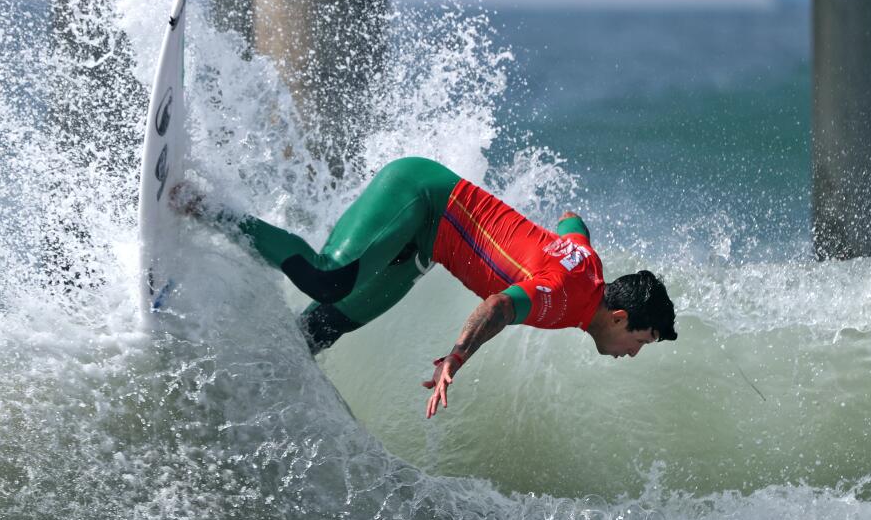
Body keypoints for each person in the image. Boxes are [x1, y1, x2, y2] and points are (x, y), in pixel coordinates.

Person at [173, 156, 677, 418]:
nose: (632, 354)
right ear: (619, 318)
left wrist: (541, 235)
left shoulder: (589, 266)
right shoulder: (564, 297)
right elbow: (499, 305)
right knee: (328, 280)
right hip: (421, 194)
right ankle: (206, 207)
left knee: (324, 326)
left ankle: (231, 362)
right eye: (640, 342)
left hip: (426, 244)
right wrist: (454, 359)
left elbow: (572, 222)